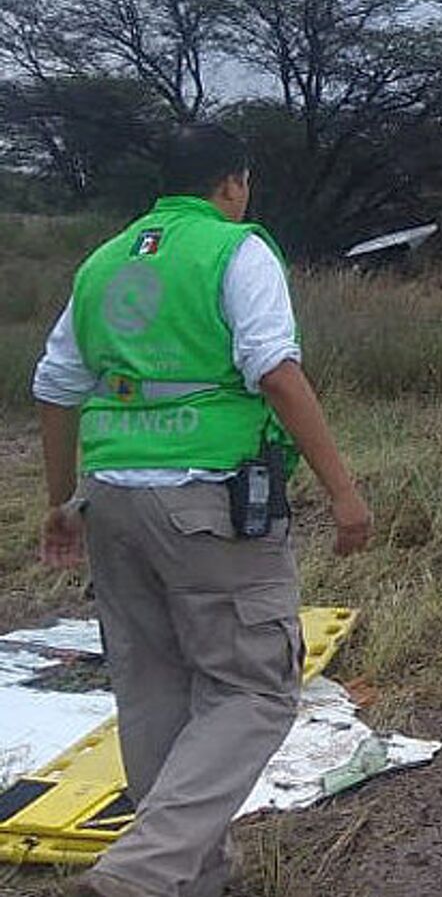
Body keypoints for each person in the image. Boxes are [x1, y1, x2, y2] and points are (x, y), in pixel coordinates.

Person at [32, 123, 372, 897]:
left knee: (153, 688)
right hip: (207, 500)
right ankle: (140, 872)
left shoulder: (103, 261)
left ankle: (193, 876)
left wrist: (60, 501)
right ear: (232, 183)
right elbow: (275, 372)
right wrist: (344, 490)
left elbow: (54, 384)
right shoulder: (235, 250)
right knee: (253, 689)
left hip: (112, 500)